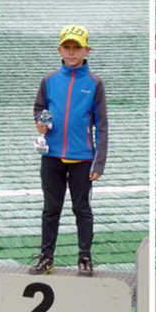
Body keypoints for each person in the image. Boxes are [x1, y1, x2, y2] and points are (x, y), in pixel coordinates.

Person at [30, 25, 107, 277]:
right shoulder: (49, 80)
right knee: (50, 209)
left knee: (82, 209)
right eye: (67, 47)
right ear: (59, 49)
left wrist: (98, 162)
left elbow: (101, 125)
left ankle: (85, 257)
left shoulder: (94, 83)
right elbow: (40, 108)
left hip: (82, 158)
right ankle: (46, 257)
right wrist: (40, 122)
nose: (72, 52)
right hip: (51, 156)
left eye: (77, 48)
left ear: (87, 50)